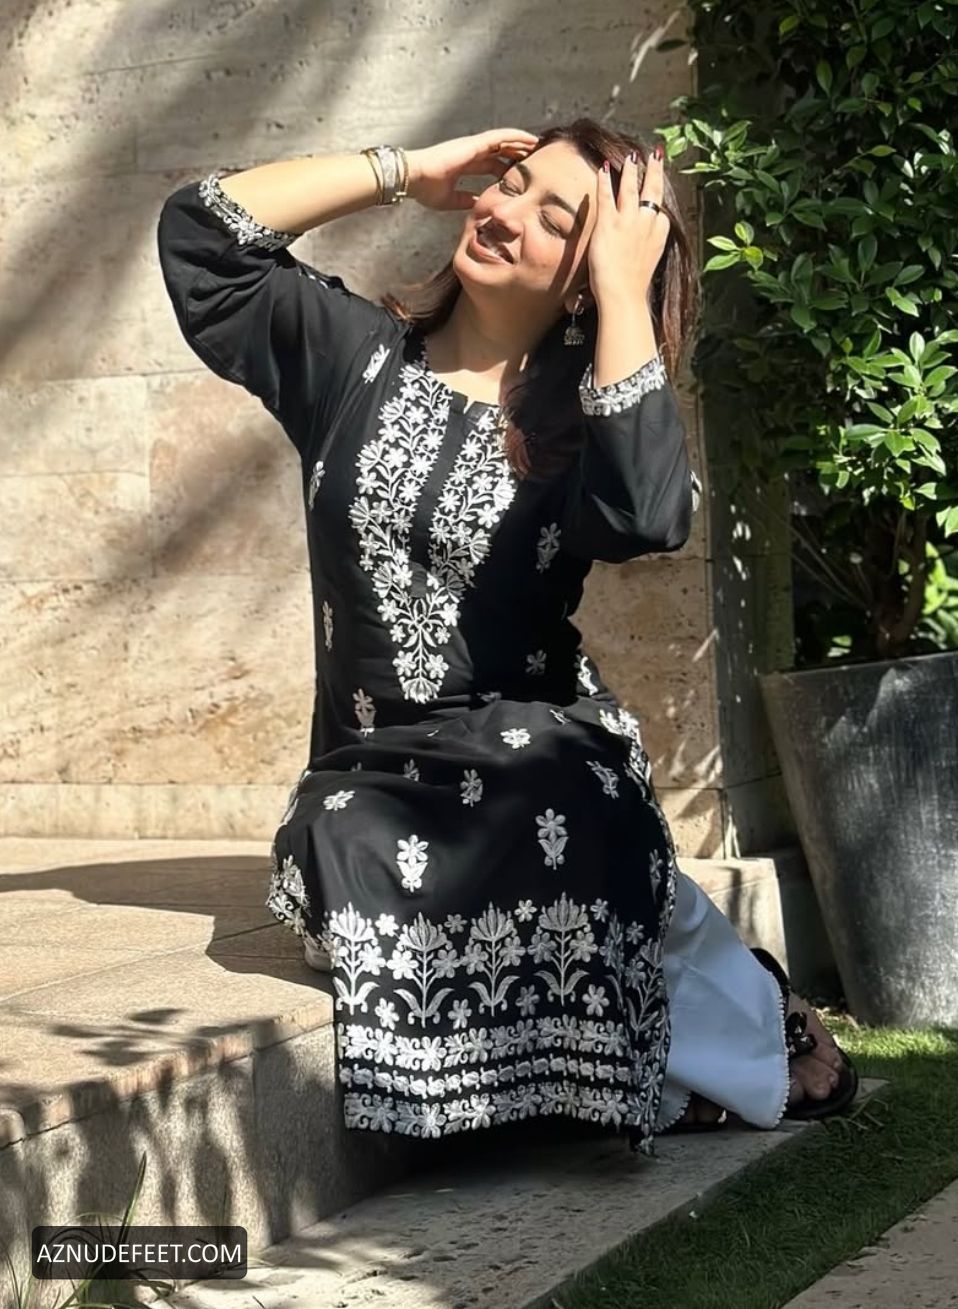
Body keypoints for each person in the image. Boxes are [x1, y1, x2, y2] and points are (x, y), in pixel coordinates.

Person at [156, 118, 858, 1154]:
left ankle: (701, 1038)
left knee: (550, 796)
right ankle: (667, 1052)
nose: (503, 213)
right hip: (373, 771)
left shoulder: (582, 421)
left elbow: (647, 514)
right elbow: (202, 237)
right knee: (349, 839)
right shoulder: (350, 358)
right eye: (511, 183)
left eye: (556, 217)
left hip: (541, 754)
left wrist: (624, 292)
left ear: (591, 270)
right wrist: (406, 170)